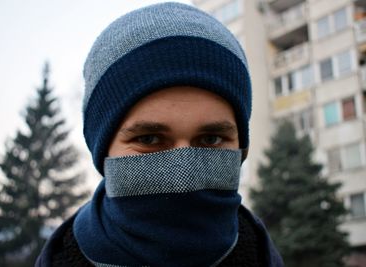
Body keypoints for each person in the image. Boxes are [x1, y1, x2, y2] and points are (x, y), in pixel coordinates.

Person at [35, 2, 284, 267]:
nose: (184, 174)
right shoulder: (63, 259)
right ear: (102, 148)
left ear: (241, 148)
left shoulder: (258, 254)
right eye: (149, 139)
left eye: (211, 139)